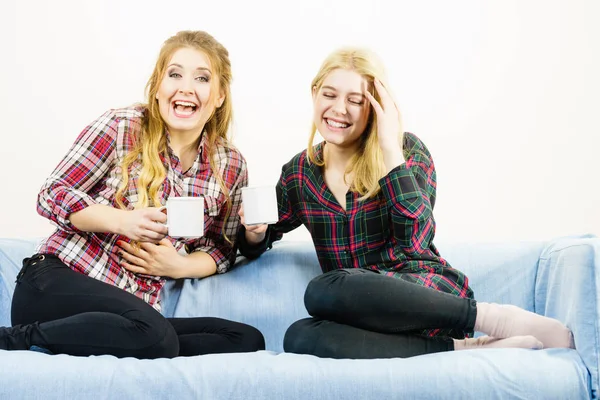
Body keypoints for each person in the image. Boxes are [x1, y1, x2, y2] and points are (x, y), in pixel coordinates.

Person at [237, 47, 574, 359]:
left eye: (355, 100)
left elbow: (416, 241)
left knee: (322, 291)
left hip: (422, 295)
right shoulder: (300, 172)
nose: (339, 109)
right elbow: (261, 236)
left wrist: (389, 149)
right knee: (299, 337)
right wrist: (254, 233)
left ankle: (492, 319)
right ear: (314, 94)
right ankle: (465, 348)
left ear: (375, 106)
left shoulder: (407, 151)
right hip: (364, 318)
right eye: (329, 94)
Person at [0, 30, 265, 358]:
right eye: (175, 74)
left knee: (244, 338)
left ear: (220, 95)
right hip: (56, 283)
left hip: (128, 316)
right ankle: (13, 339)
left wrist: (180, 267)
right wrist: (122, 221)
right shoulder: (122, 125)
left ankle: (137, 341)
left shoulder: (230, 164)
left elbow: (221, 249)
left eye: (202, 77)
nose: (186, 87)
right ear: (158, 87)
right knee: (154, 333)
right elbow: (51, 194)